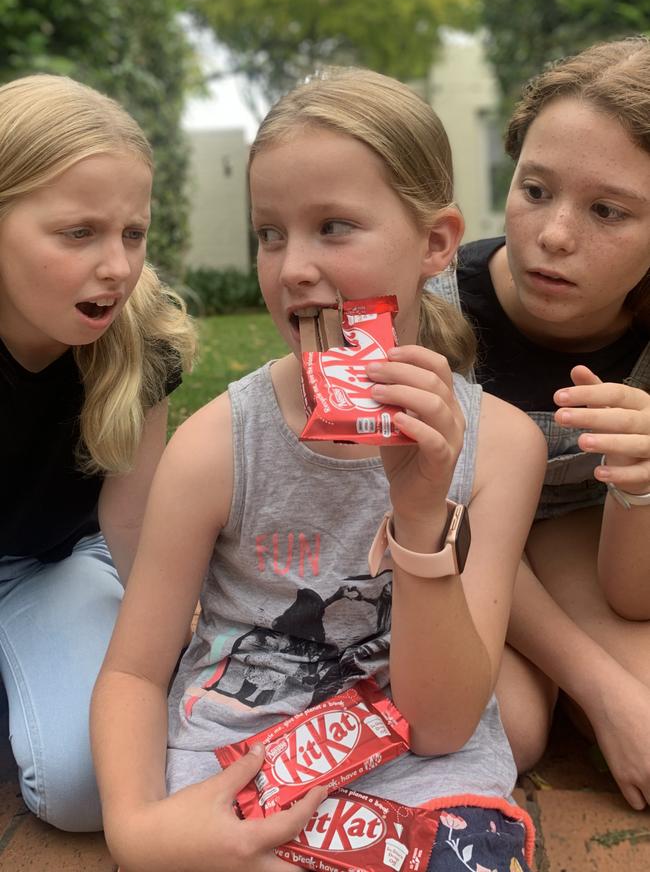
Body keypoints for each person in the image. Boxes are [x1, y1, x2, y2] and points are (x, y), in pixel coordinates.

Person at [91, 68, 547, 872]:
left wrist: (417, 513)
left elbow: (441, 724)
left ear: (437, 242)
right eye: (272, 233)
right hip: (242, 757)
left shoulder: (502, 447)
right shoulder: (217, 445)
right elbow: (134, 669)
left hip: (423, 767)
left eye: (334, 227)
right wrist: (136, 829)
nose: (294, 266)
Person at [428, 36, 650, 809]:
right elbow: (449, 528)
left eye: (607, 211)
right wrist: (603, 691)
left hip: (576, 534)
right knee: (515, 723)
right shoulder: (434, 312)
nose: (555, 234)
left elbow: (632, 594)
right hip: (447, 538)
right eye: (535, 190)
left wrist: (640, 485)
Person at [0, 74, 196, 832]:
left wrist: (180, 654)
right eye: (78, 232)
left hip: (51, 569)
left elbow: (135, 531)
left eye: (132, 234)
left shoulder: (138, 344)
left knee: (91, 784)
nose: (117, 266)